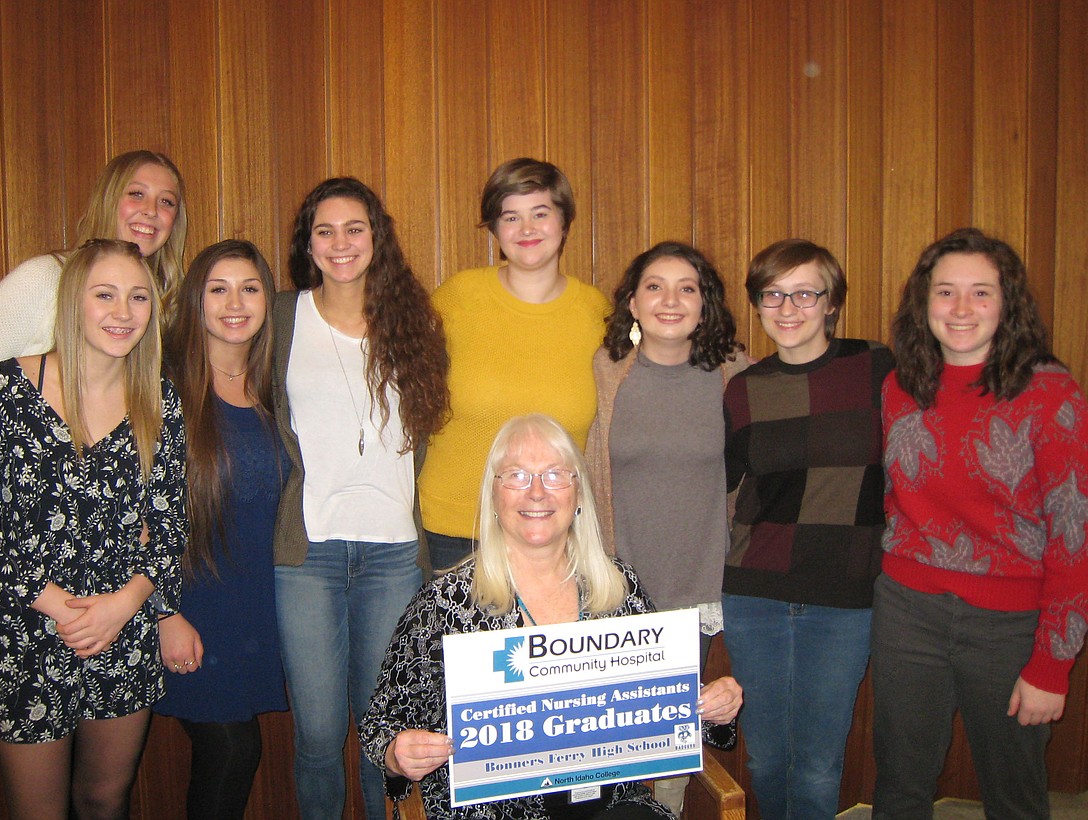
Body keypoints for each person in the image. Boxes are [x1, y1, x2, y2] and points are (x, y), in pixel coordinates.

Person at [360, 414, 743, 818]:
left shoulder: (618, 587)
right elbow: (381, 724)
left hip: (609, 807)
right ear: (494, 496)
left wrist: (716, 708)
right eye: (517, 476)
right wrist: (397, 754)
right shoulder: (444, 604)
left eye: (555, 475)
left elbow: (667, 708)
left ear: (578, 495)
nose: (537, 492)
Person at [0, 238, 187, 819]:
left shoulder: (160, 401)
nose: (123, 313)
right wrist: (55, 603)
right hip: (27, 632)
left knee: (106, 800)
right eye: (105, 295)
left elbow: (173, 526)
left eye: (138, 297)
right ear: (72, 302)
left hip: (121, 632)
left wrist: (122, 606)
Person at [873, 228, 1088, 819]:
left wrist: (1052, 663)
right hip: (907, 612)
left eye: (981, 293)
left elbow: (1079, 536)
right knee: (901, 784)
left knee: (1014, 793)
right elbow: (892, 497)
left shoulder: (1050, 394)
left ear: (1008, 304)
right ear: (924, 302)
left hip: (1008, 626)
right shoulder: (900, 387)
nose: (961, 309)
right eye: (946, 292)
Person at [273, 177, 449, 820]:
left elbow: (428, 432)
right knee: (318, 737)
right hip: (309, 555)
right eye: (325, 230)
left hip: (395, 558)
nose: (340, 243)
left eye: (355, 228)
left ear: (378, 237)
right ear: (307, 243)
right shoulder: (282, 316)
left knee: (386, 740)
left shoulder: (415, 323)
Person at [721, 239, 893, 820]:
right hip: (755, 592)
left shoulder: (875, 367)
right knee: (767, 759)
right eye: (773, 293)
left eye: (804, 292)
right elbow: (719, 485)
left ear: (831, 302)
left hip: (844, 595)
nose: (787, 307)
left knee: (819, 763)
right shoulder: (743, 388)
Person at [585, 242, 749, 815]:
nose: (671, 300)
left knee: (667, 752)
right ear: (632, 301)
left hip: (691, 592)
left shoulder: (736, 373)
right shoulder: (606, 372)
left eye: (688, 288)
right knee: (598, 744)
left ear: (705, 305)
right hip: (612, 591)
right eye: (655, 286)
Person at [418, 158, 611, 569]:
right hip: (456, 531)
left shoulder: (597, 315)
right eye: (511, 217)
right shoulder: (459, 298)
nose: (526, 230)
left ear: (564, 222)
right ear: (495, 229)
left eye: (540, 214)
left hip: (553, 532)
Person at [152, 240, 289, 818]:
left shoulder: (274, 391)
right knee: (233, 748)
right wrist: (164, 614)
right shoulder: (165, 393)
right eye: (218, 289)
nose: (235, 302)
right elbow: (136, 517)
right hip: (194, 613)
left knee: (233, 755)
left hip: (258, 607)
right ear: (195, 303)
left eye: (250, 288)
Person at [0, 149, 188, 450]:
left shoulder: (167, 303)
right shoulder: (43, 278)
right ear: (109, 201)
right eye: (136, 194)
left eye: (166, 201)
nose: (151, 210)